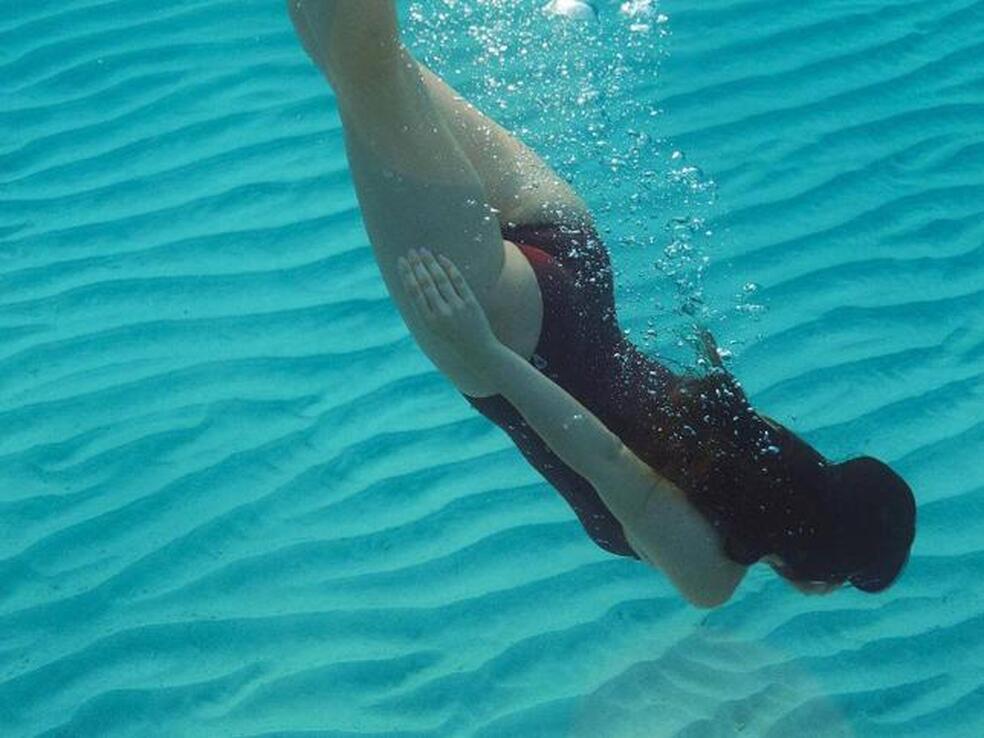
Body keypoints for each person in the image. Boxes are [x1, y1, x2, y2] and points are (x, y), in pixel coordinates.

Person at [287, 0, 916, 607]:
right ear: (826, 577)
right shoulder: (711, 576)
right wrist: (486, 353)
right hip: (510, 334)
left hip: (575, 259)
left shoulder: (767, 450)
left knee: (356, 56)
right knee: (365, 65)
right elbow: (607, 458)